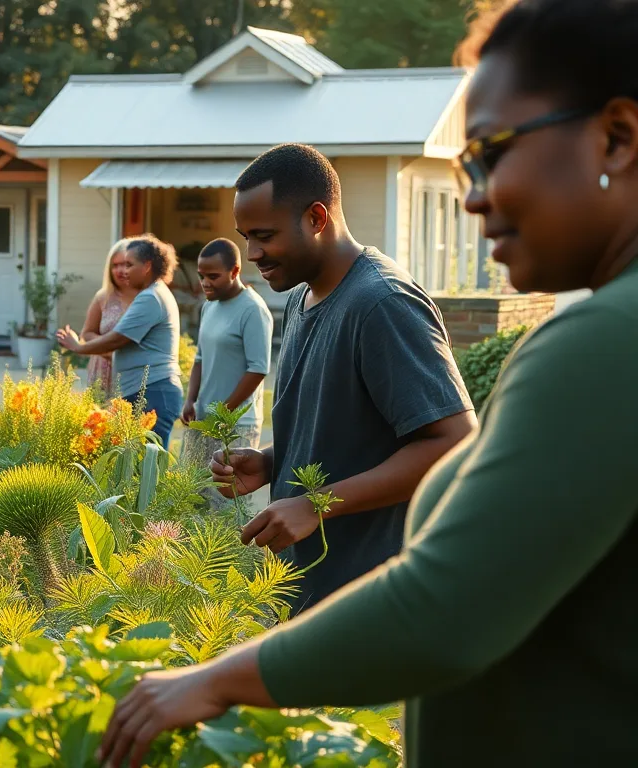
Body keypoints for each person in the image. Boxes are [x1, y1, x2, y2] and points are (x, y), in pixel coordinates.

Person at [98, 1, 638, 765]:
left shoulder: (600, 342)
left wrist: (214, 680)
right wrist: (276, 462)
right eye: (464, 168)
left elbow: (445, 591)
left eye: (490, 154)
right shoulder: (307, 301)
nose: (473, 195)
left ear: (615, 136)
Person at [214, 144, 475, 615]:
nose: (252, 253)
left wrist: (315, 504)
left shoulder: (382, 303)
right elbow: (351, 427)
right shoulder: (301, 297)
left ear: (316, 218)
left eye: (264, 235)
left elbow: (454, 441)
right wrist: (272, 462)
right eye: (245, 237)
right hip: (308, 588)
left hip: (370, 596)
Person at [57, 235, 182, 446]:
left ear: (147, 266)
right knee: (134, 467)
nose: (124, 271)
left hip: (153, 392)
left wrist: (79, 347)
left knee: (146, 469)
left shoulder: (150, 297)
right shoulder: (153, 293)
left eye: (129, 264)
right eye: (120, 265)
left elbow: (117, 339)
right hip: (144, 391)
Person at [180, 239, 273, 477]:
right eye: (201, 276)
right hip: (202, 419)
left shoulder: (253, 309)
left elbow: (258, 369)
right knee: (191, 497)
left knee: (225, 506)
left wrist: (223, 413)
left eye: (213, 276)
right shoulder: (208, 307)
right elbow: (200, 358)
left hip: (234, 426)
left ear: (235, 271)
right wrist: (191, 400)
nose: (204, 283)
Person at [80, 238, 138, 397]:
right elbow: (86, 334)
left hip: (132, 373)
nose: (120, 270)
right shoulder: (103, 297)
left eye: (125, 264)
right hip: (101, 371)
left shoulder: (146, 298)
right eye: (115, 265)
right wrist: (107, 350)